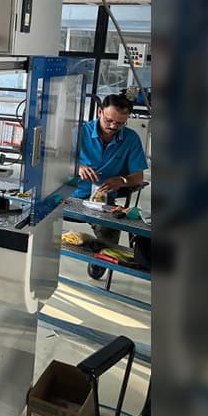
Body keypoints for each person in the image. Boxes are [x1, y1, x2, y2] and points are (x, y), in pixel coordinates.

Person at [73, 94, 149, 278]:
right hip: (70, 193)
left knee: (110, 228)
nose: (114, 126)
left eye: (120, 123)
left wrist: (122, 181)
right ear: (100, 112)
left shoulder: (130, 139)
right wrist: (77, 167)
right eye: (109, 120)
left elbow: (138, 177)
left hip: (103, 201)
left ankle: (100, 260)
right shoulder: (79, 132)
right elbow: (54, 160)